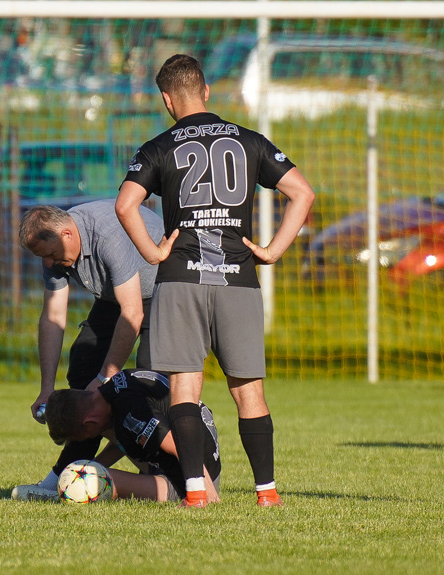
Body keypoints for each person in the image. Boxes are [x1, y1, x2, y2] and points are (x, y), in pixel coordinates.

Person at [116, 54, 315, 508]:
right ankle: (267, 493)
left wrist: (153, 252)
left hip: (181, 276)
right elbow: (303, 193)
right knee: (249, 390)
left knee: (185, 389)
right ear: (206, 91)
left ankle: (195, 493)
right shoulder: (249, 140)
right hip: (238, 279)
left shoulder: (158, 146)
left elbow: (126, 204)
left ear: (167, 100)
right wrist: (272, 250)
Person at [12, 200, 164, 501]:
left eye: (51, 255)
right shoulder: (55, 252)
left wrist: (106, 377)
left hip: (162, 292)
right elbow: (53, 316)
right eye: (42, 257)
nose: (48, 263)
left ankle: (165, 472)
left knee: (147, 383)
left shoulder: (108, 234)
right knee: (82, 371)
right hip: (116, 297)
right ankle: (64, 474)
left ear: (67, 234)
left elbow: (132, 313)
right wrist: (46, 390)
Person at [45, 368, 220, 503]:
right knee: (92, 468)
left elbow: (180, 444)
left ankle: (196, 489)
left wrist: (205, 491)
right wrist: (94, 464)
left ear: (89, 422)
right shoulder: (115, 388)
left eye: (83, 437)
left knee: (94, 479)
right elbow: (125, 438)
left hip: (190, 477)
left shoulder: (132, 412)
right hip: (190, 462)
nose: (89, 440)